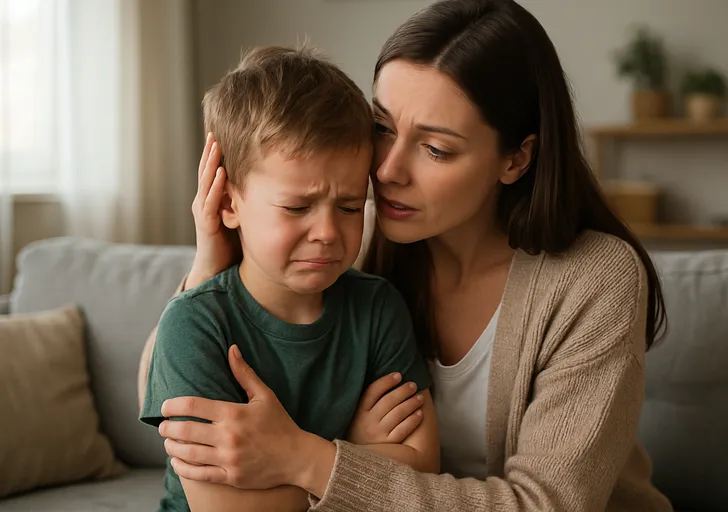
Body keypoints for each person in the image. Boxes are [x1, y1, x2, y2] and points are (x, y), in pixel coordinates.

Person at [139, 0, 674, 510]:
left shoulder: (595, 278)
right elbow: (164, 394)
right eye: (383, 129)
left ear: (516, 159)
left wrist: (311, 460)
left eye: (435, 148)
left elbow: (547, 505)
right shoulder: (348, 237)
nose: (388, 171)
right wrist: (212, 263)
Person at [139, 46, 439, 512]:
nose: (327, 233)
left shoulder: (378, 307)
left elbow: (423, 466)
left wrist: (311, 464)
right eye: (297, 207)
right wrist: (354, 460)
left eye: (349, 206)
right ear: (228, 204)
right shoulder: (195, 325)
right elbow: (222, 509)